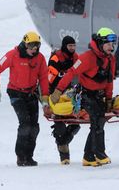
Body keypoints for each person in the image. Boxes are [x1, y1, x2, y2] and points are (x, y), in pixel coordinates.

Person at [50, 27, 116, 167]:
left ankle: (88, 156)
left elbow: (109, 81)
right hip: (84, 94)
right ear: (100, 43)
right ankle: (99, 153)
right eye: (109, 44)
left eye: (113, 43)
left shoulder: (111, 59)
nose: (112, 47)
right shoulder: (87, 57)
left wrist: (109, 99)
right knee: (97, 119)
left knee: (98, 122)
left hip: (99, 96)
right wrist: (58, 91)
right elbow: (71, 73)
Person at [0, 31, 49, 167]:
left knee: (34, 127)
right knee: (25, 124)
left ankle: (29, 156)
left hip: (31, 93)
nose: (35, 49)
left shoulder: (40, 58)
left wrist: (45, 98)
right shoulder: (13, 55)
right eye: (32, 46)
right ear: (25, 44)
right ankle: (21, 156)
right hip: (16, 94)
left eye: (37, 46)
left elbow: (44, 78)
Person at [48, 35, 80, 165]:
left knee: (76, 124)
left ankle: (62, 142)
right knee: (60, 125)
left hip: (71, 94)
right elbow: (50, 77)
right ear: (64, 46)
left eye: (74, 46)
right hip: (56, 94)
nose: (72, 48)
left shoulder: (76, 58)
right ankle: (64, 155)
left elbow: (80, 72)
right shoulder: (56, 58)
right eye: (70, 46)